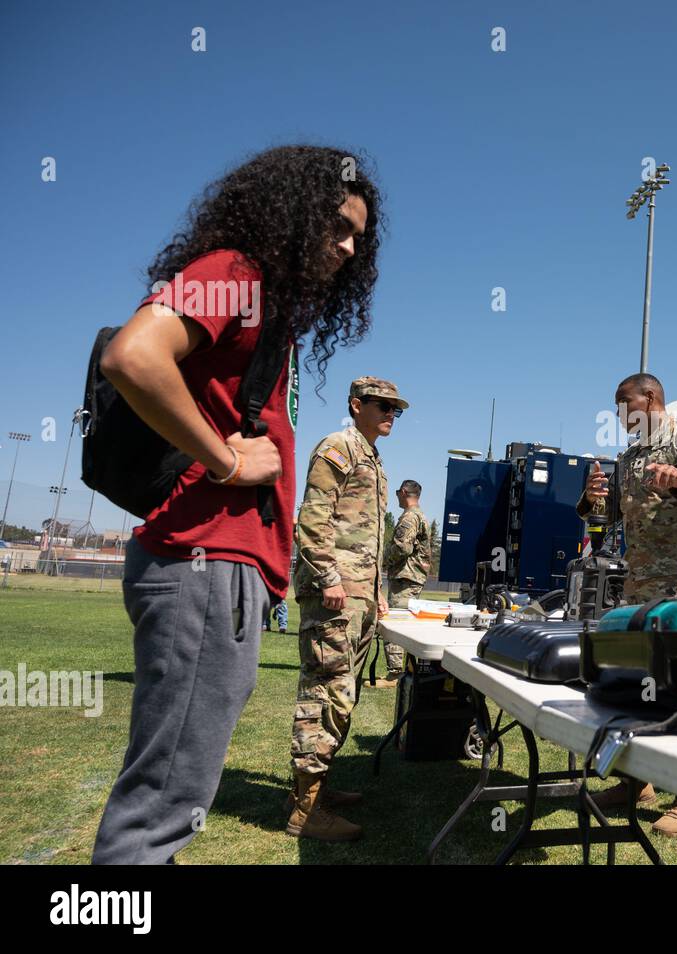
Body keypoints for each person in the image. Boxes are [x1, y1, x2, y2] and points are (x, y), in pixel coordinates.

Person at [92, 145, 384, 864]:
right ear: (290, 216)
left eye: (359, 238)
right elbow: (133, 356)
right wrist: (224, 458)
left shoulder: (266, 304)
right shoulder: (237, 273)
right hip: (204, 559)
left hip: (225, 568)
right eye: (338, 227)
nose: (349, 249)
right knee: (161, 808)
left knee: (175, 794)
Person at [577, 372, 677, 836]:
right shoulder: (628, 457)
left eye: (623, 402)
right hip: (640, 583)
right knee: (638, 682)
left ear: (650, 398)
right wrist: (592, 501)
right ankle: (636, 783)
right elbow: (612, 519)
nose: (619, 412)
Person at [286, 377, 406, 842]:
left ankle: (316, 791)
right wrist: (329, 577)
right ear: (356, 405)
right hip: (334, 594)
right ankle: (305, 811)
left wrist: (375, 591)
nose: (391, 413)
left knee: (343, 692)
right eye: (383, 405)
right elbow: (313, 518)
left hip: (358, 595)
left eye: (396, 408)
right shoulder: (338, 446)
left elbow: (366, 534)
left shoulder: (372, 457)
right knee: (326, 694)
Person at [377, 479, 433, 687]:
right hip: (412, 576)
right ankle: (405, 671)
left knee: (394, 625)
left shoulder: (410, 517)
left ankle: (395, 674)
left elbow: (402, 548)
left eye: (397, 493)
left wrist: (381, 560)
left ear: (403, 492)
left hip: (405, 576)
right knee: (406, 624)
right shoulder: (420, 516)